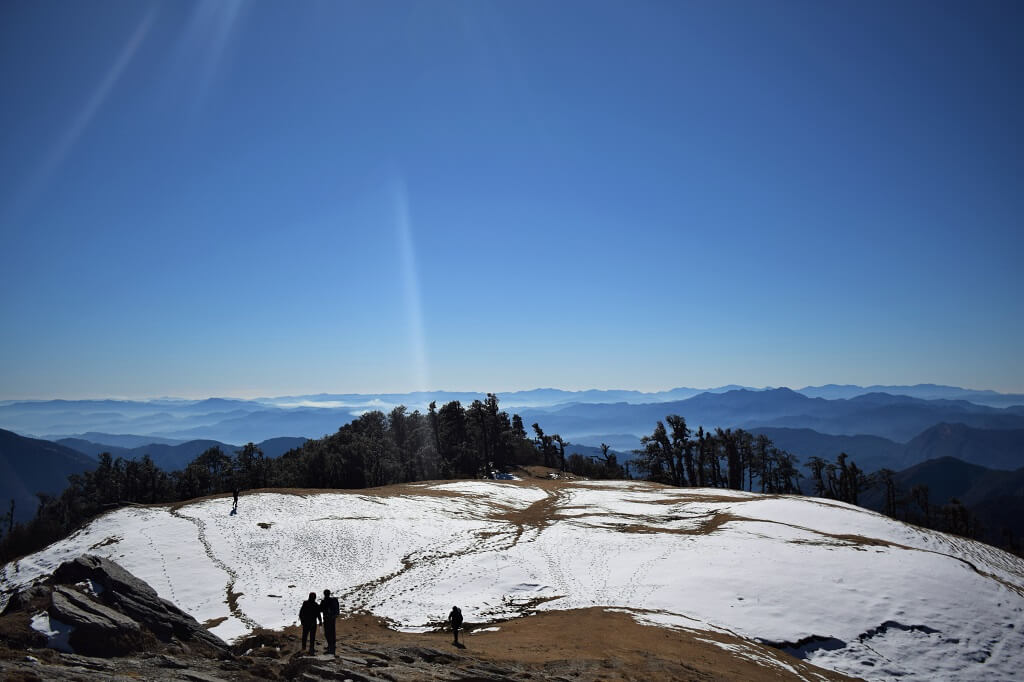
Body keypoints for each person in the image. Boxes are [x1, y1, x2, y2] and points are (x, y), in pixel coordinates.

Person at [320, 589, 340, 655]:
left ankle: (330, 648)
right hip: (332, 619)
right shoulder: (334, 600)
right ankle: (332, 648)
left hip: (327, 619)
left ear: (324, 594)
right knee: (332, 633)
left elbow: (320, 609)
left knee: (328, 633)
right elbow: (337, 611)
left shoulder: (324, 601)